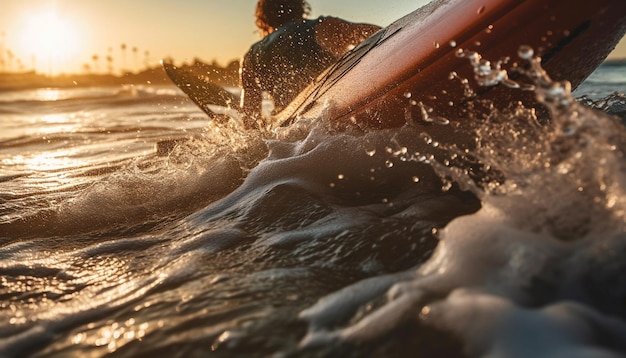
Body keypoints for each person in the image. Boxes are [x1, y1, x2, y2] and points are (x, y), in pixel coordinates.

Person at [240, 0, 381, 123]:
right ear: (299, 6)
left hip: (294, 134)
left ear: (264, 18)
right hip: (331, 113)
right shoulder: (319, 27)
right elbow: (378, 34)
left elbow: (250, 117)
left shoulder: (251, 57)